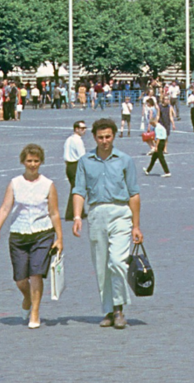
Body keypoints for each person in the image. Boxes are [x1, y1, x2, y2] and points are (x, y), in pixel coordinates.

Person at [72, 119, 144, 329]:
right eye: (101, 137)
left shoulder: (125, 160)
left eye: (108, 137)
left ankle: (120, 308)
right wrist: (77, 217)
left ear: (114, 136)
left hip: (121, 213)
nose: (104, 141)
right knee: (102, 265)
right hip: (96, 213)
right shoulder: (85, 161)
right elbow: (78, 190)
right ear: (94, 138)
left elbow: (134, 194)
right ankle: (109, 310)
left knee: (118, 262)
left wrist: (136, 225)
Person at [0, 143, 63, 329]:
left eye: (36, 161)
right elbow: (5, 207)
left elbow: (54, 212)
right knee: (20, 279)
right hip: (19, 233)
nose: (32, 164)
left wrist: (59, 238)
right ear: (23, 161)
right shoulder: (15, 183)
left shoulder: (48, 185)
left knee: (35, 273)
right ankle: (28, 297)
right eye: (29, 161)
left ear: (41, 162)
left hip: (42, 233)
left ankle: (35, 313)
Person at [64, 121, 88, 220]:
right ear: (76, 129)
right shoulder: (78, 141)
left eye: (85, 128)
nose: (84, 130)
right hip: (76, 165)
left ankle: (80, 211)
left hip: (69, 166)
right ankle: (71, 213)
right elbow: (82, 156)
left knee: (76, 188)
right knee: (77, 189)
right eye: (82, 128)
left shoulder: (69, 139)